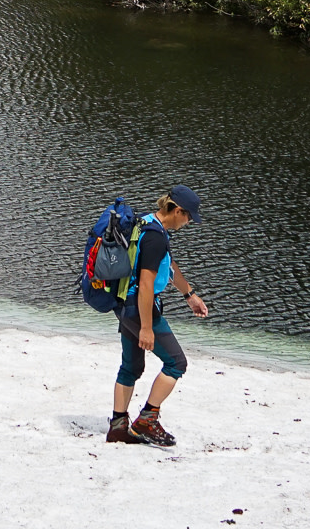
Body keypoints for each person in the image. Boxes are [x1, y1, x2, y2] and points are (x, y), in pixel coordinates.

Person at [107, 184, 209, 446]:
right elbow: (146, 284)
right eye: (187, 217)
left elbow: (169, 265)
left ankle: (118, 427)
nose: (188, 223)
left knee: (131, 367)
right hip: (138, 307)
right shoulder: (155, 237)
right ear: (176, 210)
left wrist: (190, 296)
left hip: (123, 304)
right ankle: (147, 419)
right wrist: (146, 327)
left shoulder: (148, 224)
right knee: (176, 363)